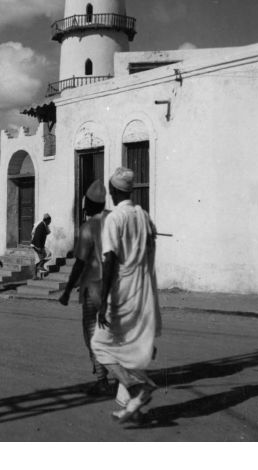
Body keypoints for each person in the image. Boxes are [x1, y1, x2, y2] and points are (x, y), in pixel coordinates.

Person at [89, 167, 162, 424]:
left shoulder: (114, 219)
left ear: (112, 191)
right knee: (128, 347)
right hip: (144, 293)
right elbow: (150, 251)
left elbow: (109, 261)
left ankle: (136, 387)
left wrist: (103, 301)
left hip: (123, 294)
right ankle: (132, 407)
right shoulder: (144, 216)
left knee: (100, 345)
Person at [58, 179, 112, 396]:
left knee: (92, 334)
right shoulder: (113, 220)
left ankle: (102, 380)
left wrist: (68, 289)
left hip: (93, 289)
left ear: (89, 205)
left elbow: (80, 263)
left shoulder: (88, 228)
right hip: (115, 286)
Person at [31, 213, 52, 279]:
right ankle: (40, 267)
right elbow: (38, 237)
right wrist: (39, 247)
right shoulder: (41, 226)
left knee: (38, 259)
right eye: (50, 220)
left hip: (37, 244)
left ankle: (35, 275)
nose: (50, 222)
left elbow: (48, 232)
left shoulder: (44, 225)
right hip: (37, 245)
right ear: (47, 220)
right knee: (48, 254)